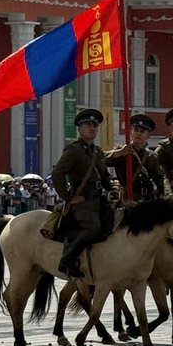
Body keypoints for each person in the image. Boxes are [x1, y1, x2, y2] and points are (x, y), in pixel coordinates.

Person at [51, 108, 114, 277]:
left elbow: (105, 176)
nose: (92, 128)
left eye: (95, 125)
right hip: (83, 202)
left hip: (99, 199)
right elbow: (58, 173)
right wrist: (69, 197)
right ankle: (67, 261)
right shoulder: (74, 150)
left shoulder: (97, 152)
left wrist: (114, 191)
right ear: (79, 128)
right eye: (88, 125)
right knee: (93, 228)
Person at [104, 113, 166, 201]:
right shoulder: (121, 152)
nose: (138, 134)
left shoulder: (151, 156)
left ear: (148, 135)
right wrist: (119, 153)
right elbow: (101, 159)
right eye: (136, 130)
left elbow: (159, 179)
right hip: (128, 199)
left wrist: (163, 195)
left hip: (147, 199)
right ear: (130, 132)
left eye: (142, 131)